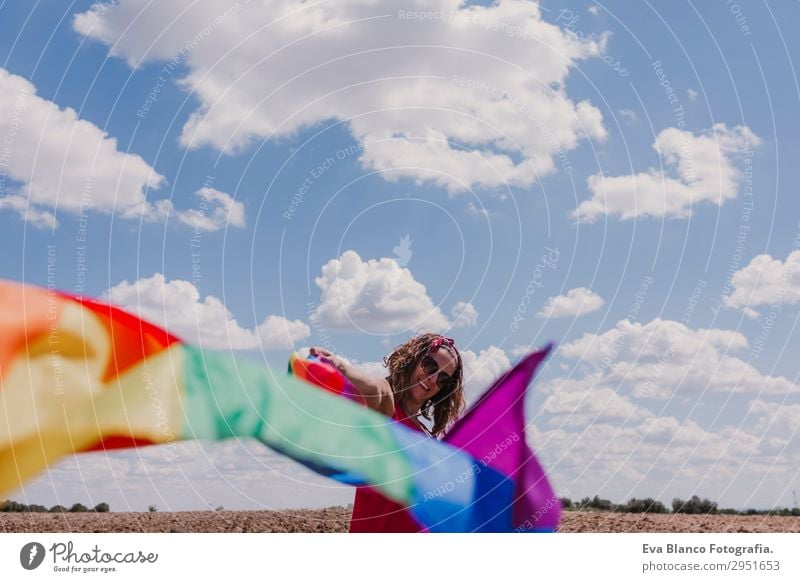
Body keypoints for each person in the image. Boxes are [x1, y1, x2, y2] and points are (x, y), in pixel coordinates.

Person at [309, 332, 465, 532]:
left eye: (443, 378)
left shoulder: (427, 437)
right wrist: (340, 367)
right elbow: (373, 389)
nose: (433, 379)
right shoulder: (387, 407)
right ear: (413, 359)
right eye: (430, 366)